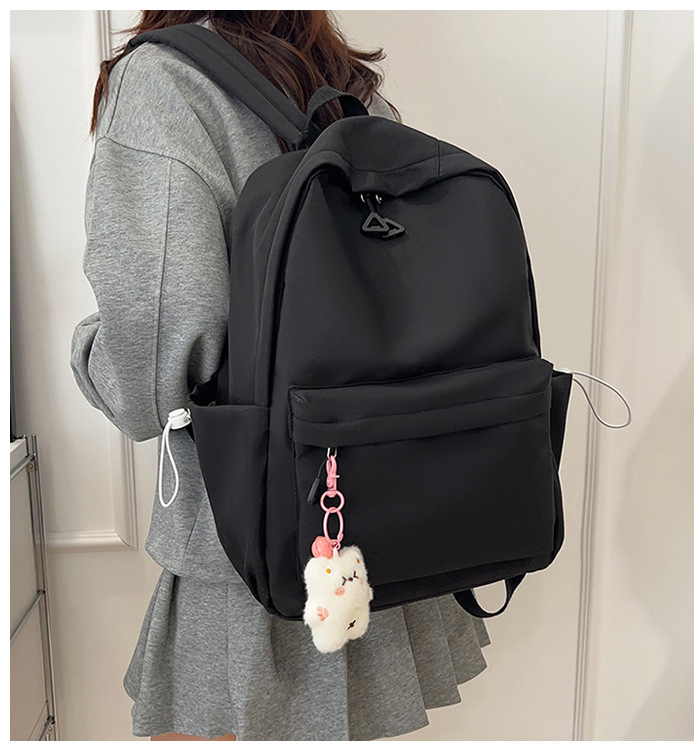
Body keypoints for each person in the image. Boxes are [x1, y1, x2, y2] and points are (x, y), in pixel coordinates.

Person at [70, 10, 491, 742]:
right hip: (388, 524)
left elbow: (154, 364)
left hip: (251, 551)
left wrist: (88, 354)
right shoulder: (344, 86)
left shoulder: (163, 82)